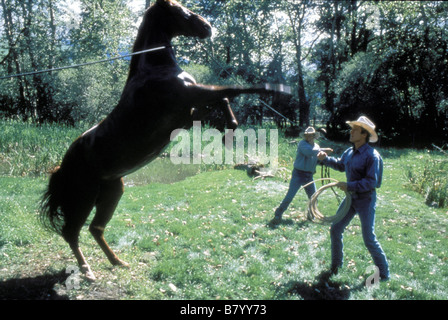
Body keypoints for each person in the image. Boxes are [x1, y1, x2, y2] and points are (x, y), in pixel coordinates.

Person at [317, 116, 390, 281]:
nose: (351, 132)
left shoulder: (372, 156)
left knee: (368, 238)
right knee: (335, 229)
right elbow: (341, 165)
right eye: (352, 129)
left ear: (364, 134)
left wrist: (350, 185)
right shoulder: (349, 152)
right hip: (351, 199)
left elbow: (372, 183)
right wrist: (325, 159)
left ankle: (384, 274)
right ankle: (336, 266)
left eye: (355, 129)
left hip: (365, 200)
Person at [270, 127, 333, 226]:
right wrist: (324, 150)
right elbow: (310, 153)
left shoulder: (316, 146)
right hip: (298, 174)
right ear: (305, 136)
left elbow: (316, 158)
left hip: (309, 175)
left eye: (311, 135)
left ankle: (311, 215)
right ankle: (278, 214)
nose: (309, 137)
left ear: (314, 136)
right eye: (307, 135)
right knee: (290, 196)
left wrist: (323, 158)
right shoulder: (302, 144)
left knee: (314, 197)